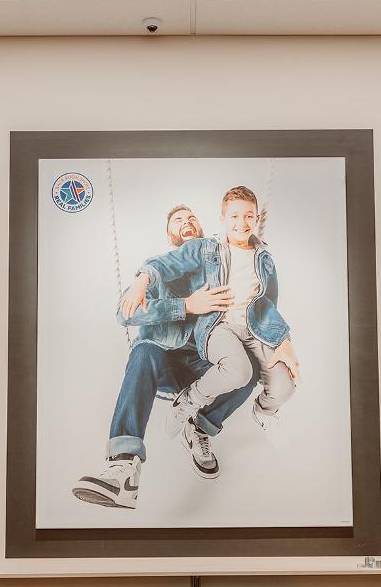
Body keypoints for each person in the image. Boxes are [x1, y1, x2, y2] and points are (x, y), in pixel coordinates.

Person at [72, 205, 259, 509]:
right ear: (170, 234)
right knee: (143, 350)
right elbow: (123, 313)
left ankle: (200, 426)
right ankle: (124, 467)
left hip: (204, 363)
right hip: (162, 361)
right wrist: (185, 305)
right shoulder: (154, 273)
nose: (187, 222)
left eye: (192, 218)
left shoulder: (218, 269)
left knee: (249, 370)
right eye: (178, 220)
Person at [122, 186, 300, 440]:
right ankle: (184, 405)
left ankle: (257, 414)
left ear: (257, 219)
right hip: (210, 332)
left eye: (249, 216)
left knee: (283, 385)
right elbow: (164, 267)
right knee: (239, 371)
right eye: (234, 216)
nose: (242, 223)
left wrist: (284, 340)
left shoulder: (262, 259)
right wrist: (145, 281)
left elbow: (268, 304)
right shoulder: (203, 251)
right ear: (223, 219)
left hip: (248, 333)